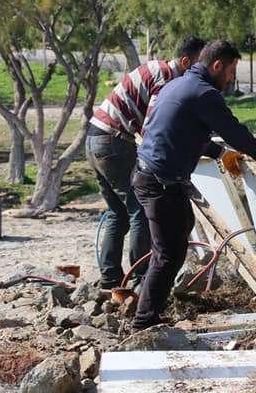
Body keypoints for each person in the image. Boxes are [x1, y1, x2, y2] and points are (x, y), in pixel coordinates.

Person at [132, 39, 256, 330]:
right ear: (217, 65)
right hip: (159, 182)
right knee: (169, 253)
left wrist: (220, 153)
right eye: (231, 71)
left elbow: (184, 132)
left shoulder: (177, 85)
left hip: (155, 177)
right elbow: (233, 130)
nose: (232, 79)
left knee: (176, 239)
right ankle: (143, 322)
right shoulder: (204, 93)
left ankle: (148, 312)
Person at [86, 35, 206, 290]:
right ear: (185, 61)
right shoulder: (167, 79)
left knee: (116, 212)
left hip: (96, 137)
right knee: (140, 209)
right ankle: (141, 278)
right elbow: (154, 124)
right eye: (197, 66)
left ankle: (110, 278)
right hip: (114, 141)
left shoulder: (155, 68)